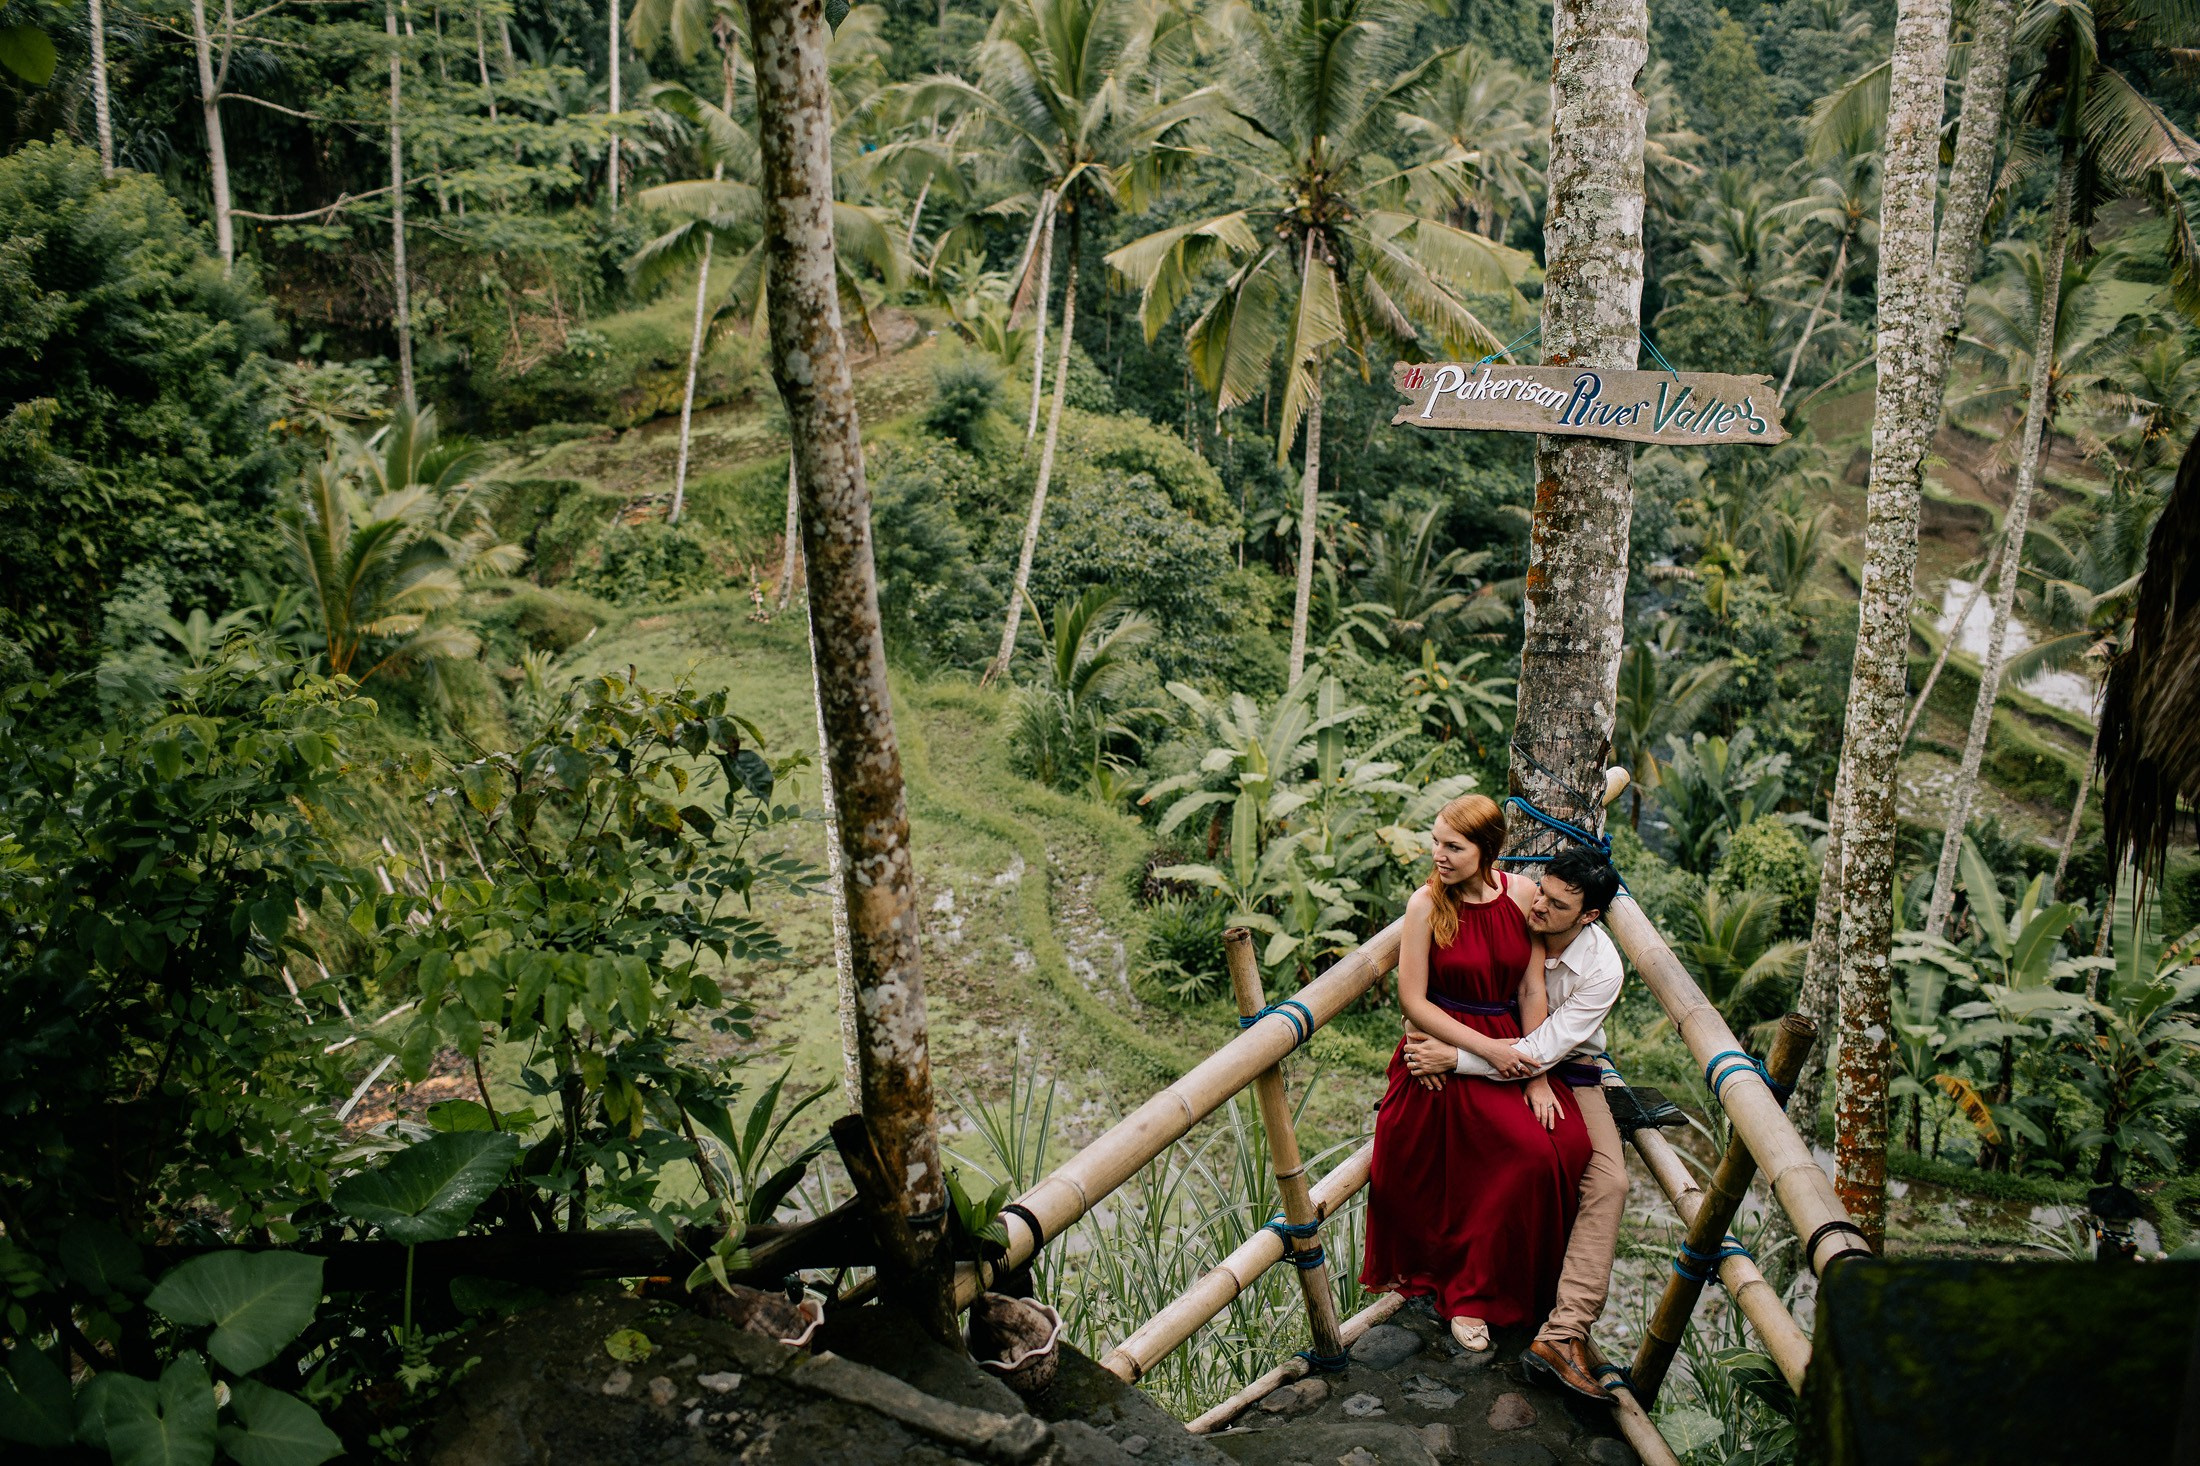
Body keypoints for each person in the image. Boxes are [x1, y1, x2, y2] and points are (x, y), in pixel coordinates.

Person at [1359, 794, 1593, 1353]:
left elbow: (1530, 988)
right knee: (1522, 1153)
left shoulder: (1521, 896)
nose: (1437, 854)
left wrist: (1534, 1071)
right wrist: (1487, 1050)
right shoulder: (1425, 905)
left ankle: (1524, 1284)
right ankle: (1470, 1294)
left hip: (1512, 1047)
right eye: (1435, 840)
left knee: (1567, 1143)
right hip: (1446, 1047)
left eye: (1452, 846)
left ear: (1488, 850)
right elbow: (1413, 1001)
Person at [1403, 846, 1628, 1401]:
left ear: (1588, 916)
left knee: (1610, 1181)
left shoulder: (1601, 970)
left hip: (1570, 1068)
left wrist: (1455, 1060)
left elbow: (1546, 1049)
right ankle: (1497, 1292)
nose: (1539, 907)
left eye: (1556, 905)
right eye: (1541, 892)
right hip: (1492, 1050)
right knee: (1523, 1150)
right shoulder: (1519, 903)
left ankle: (1563, 1331)